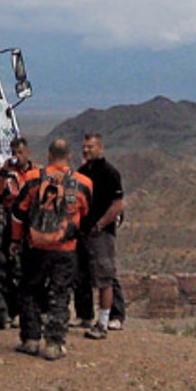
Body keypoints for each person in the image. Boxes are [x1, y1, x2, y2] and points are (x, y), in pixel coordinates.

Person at [12, 138, 92, 360]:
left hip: (35, 246)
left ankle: (30, 339)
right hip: (65, 248)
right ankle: (54, 344)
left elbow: (18, 214)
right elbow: (85, 214)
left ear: (48, 156)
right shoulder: (83, 183)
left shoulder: (31, 179)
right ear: (69, 157)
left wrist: (16, 241)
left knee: (29, 290)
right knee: (60, 293)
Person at [76, 132, 126, 339]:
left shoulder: (109, 173)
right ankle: (85, 315)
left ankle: (110, 318)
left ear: (100, 148)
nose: (86, 150)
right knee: (83, 274)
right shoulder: (82, 172)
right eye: (85, 146)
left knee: (105, 274)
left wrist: (101, 224)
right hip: (83, 231)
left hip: (101, 232)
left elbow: (118, 204)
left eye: (91, 146)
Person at [0, 136, 30, 331]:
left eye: (20, 153)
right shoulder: (6, 173)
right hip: (9, 222)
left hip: (30, 222)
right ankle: (9, 312)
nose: (16, 157)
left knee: (26, 271)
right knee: (7, 270)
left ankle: (27, 312)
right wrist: (3, 172)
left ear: (27, 152)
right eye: (13, 153)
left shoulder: (36, 172)